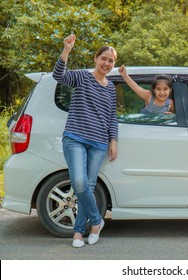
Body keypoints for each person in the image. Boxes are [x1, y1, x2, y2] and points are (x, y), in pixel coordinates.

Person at [53, 34, 118, 248]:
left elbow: (111, 117)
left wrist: (113, 140)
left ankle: (79, 233)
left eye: (111, 61)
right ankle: (97, 221)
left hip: (99, 143)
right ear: (96, 58)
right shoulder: (82, 77)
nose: (107, 63)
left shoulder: (110, 88)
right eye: (104, 58)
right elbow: (59, 76)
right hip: (75, 138)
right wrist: (66, 50)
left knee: (87, 187)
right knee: (79, 183)